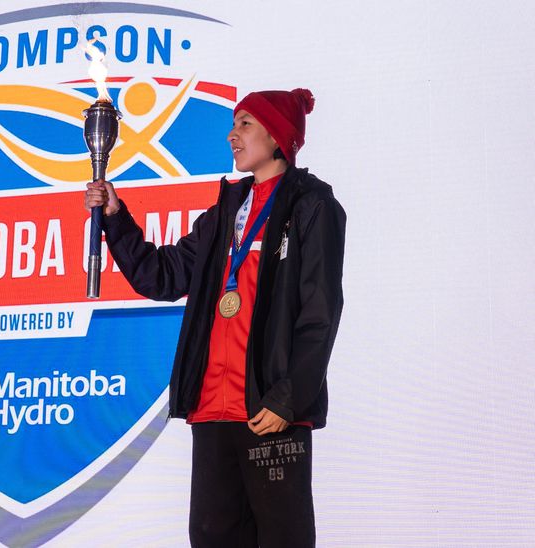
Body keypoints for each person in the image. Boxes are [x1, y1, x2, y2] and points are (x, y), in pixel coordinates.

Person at [84, 88, 346, 547]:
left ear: (277, 134)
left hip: (268, 409)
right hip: (211, 409)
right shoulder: (225, 214)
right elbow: (160, 276)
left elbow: (319, 314)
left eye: (245, 124)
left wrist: (288, 397)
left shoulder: (312, 205)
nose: (232, 135)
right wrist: (115, 217)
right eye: (233, 124)